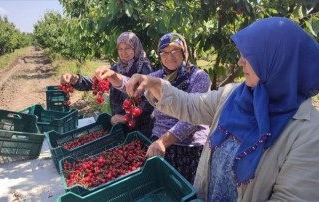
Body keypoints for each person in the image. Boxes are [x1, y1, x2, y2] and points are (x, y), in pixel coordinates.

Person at [125, 17, 319, 201]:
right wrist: (152, 83)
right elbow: (189, 105)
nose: (240, 62)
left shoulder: (308, 134)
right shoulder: (233, 96)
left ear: (277, 60)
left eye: (249, 56)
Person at [95, 32, 211, 184]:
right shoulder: (158, 77)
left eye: (175, 51)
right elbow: (132, 83)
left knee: (184, 189)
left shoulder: (199, 77)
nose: (170, 56)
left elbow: (193, 117)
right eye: (164, 52)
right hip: (159, 144)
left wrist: (164, 141)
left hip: (189, 147)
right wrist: (113, 76)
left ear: (184, 52)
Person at [61, 31, 155, 136]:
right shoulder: (117, 68)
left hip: (143, 127)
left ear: (135, 48)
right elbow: (97, 83)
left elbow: (150, 100)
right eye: (120, 49)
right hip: (119, 124)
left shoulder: (145, 68)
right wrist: (76, 79)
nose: (123, 53)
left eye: (127, 48)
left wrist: (127, 117)